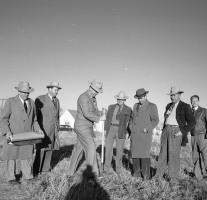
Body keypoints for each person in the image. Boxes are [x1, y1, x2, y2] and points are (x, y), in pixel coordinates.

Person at [0, 81, 43, 184]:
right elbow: (3, 119)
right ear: (19, 91)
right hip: (13, 134)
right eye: (24, 92)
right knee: (11, 156)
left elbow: (35, 120)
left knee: (26, 155)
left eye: (27, 92)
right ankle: (11, 178)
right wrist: (7, 132)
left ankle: (28, 177)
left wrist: (38, 129)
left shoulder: (32, 102)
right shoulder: (10, 101)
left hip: (27, 135)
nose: (26, 94)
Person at [156, 86, 195, 185]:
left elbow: (192, 122)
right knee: (162, 155)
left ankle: (173, 180)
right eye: (171, 95)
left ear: (179, 95)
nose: (172, 97)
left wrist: (182, 131)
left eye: (174, 95)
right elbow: (165, 119)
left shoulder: (185, 106)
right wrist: (164, 130)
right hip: (166, 130)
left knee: (173, 156)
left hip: (176, 131)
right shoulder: (168, 105)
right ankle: (158, 177)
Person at [68, 79, 106, 178]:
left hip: (87, 128)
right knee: (91, 148)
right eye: (95, 91)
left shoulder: (93, 98)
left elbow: (95, 111)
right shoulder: (83, 97)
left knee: (78, 151)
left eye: (98, 91)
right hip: (82, 127)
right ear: (90, 87)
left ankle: (70, 173)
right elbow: (87, 113)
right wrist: (99, 118)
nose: (97, 93)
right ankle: (94, 175)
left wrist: (101, 112)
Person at [129, 88, 159, 180]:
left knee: (144, 155)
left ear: (146, 96)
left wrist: (147, 128)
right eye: (138, 98)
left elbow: (155, 120)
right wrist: (131, 128)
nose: (140, 100)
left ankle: (146, 176)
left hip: (144, 134)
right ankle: (136, 174)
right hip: (135, 134)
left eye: (141, 98)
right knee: (135, 154)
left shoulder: (152, 106)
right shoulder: (135, 106)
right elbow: (131, 118)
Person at [34, 81, 62, 174]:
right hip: (43, 130)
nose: (57, 92)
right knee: (41, 150)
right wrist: (37, 128)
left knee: (50, 149)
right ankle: (36, 170)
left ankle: (45, 169)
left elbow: (57, 116)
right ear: (49, 89)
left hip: (53, 130)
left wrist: (57, 128)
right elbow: (35, 116)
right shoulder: (40, 99)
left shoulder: (57, 101)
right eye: (55, 90)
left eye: (57, 90)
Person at [104, 91, 132, 174]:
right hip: (111, 128)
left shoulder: (128, 109)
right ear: (116, 99)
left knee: (119, 150)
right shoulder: (111, 107)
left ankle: (118, 169)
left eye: (122, 99)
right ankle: (106, 168)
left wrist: (128, 131)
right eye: (118, 99)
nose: (120, 100)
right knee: (108, 149)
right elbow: (108, 118)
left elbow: (130, 121)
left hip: (121, 130)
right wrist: (106, 129)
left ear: (124, 100)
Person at [190, 95, 207, 180]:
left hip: (202, 136)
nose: (194, 102)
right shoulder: (189, 112)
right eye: (192, 101)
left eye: (195, 101)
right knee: (195, 156)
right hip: (193, 136)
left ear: (198, 101)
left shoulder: (204, 111)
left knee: (205, 156)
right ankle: (198, 176)